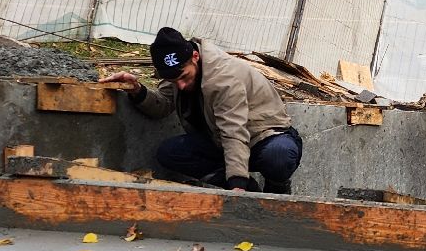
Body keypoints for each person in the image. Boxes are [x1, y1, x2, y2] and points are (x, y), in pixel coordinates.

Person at [106, 27, 303, 193]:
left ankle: (277, 190)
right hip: (220, 141)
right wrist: (136, 90)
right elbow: (163, 105)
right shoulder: (178, 72)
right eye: (175, 81)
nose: (180, 86)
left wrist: (237, 183)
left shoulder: (223, 78)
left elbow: (233, 132)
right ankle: (252, 193)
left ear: (195, 56)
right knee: (170, 152)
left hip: (264, 137)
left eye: (183, 77)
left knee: (278, 156)